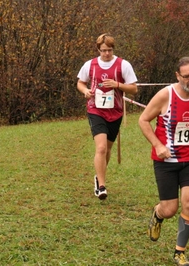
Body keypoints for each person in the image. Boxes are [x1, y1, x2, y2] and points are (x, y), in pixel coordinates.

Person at [138, 57, 189, 266]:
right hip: (166, 161)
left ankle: (179, 252)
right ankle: (158, 213)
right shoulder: (166, 95)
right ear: (177, 76)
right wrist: (157, 145)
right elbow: (143, 120)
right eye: (187, 76)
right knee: (170, 209)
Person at [77, 33, 138, 200]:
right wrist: (85, 91)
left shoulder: (123, 65)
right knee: (101, 147)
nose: (106, 54)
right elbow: (80, 82)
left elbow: (134, 89)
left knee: (108, 149)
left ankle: (99, 175)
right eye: (103, 50)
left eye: (109, 50)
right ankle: (101, 186)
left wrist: (117, 84)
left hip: (115, 111)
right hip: (95, 109)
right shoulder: (90, 65)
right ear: (98, 49)